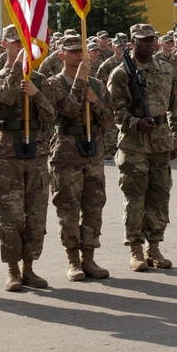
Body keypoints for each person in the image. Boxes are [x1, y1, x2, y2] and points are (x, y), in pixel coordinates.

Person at [108, 23, 177, 272]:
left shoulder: (166, 69)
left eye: (152, 39)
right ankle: (135, 249)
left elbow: (176, 107)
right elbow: (116, 112)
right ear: (132, 42)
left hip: (161, 142)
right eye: (144, 39)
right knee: (135, 198)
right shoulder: (120, 74)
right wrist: (136, 123)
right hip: (134, 145)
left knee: (160, 196)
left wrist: (176, 139)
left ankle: (154, 246)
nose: (149, 43)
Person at [0, 26, 57, 292]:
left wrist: (36, 94)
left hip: (37, 152)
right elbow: (3, 98)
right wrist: (17, 69)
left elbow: (52, 115)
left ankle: (29, 268)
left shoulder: (39, 80)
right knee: (11, 215)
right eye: (16, 43)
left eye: (24, 44)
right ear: (5, 44)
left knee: (36, 215)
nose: (20, 47)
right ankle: (12, 270)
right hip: (9, 153)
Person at [44, 36, 115, 282]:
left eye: (81, 51)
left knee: (94, 205)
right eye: (73, 51)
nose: (78, 55)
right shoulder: (53, 84)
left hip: (93, 150)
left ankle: (89, 257)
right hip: (66, 151)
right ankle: (73, 260)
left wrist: (94, 101)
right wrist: (79, 85)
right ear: (61, 54)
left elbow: (108, 120)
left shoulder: (96, 84)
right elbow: (68, 110)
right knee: (68, 206)